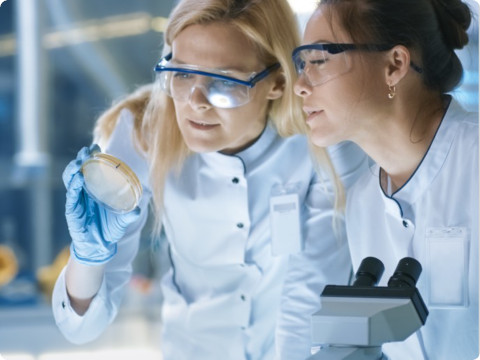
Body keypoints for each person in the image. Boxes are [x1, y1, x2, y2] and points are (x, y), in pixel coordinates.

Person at [52, 0, 367, 359]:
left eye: (225, 80)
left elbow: (312, 283)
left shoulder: (321, 139)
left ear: (278, 82)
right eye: (183, 74)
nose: (196, 102)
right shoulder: (142, 132)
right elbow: (81, 328)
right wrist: (88, 258)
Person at [292, 0, 479, 359]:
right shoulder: (364, 202)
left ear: (394, 65)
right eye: (302, 64)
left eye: (318, 60)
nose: (300, 84)